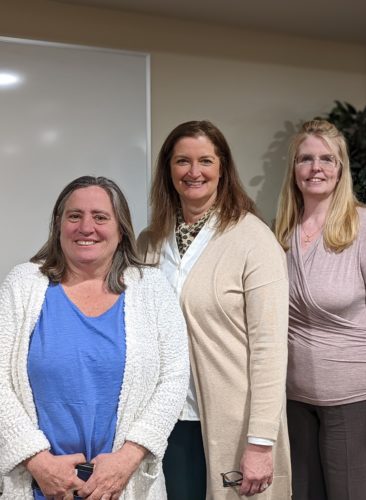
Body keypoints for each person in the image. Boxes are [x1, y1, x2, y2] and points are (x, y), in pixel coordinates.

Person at [0, 176, 189, 500]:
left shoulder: (152, 288)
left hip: (124, 485)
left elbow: (174, 378)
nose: (86, 227)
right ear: (59, 224)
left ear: (121, 229)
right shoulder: (23, 283)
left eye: (100, 217)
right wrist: (38, 461)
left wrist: (127, 459)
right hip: (38, 485)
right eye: (74, 216)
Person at [137, 120, 291, 499]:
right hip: (164, 421)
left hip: (233, 424)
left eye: (205, 160)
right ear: (168, 170)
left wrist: (260, 441)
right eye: (182, 161)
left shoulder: (253, 239)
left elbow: (271, 349)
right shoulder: (149, 242)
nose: (194, 172)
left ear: (222, 167)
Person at [274, 119, 366, 500]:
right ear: (294, 169)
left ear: (340, 169)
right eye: (305, 158)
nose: (316, 168)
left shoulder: (365, 227)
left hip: (355, 403)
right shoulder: (281, 231)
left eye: (327, 159)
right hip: (295, 401)